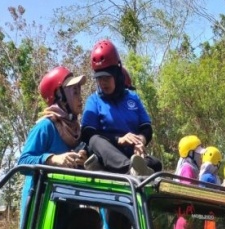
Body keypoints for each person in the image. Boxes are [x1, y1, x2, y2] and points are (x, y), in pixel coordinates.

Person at [81, 39, 160, 176]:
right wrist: (119, 139)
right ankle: (129, 170)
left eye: (107, 77)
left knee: (156, 164)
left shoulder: (133, 98)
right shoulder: (94, 100)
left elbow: (146, 128)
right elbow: (87, 133)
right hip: (108, 155)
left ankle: (134, 168)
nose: (102, 83)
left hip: (132, 156)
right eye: (99, 78)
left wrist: (140, 141)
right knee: (94, 140)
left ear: (117, 74)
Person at [19, 66, 88, 217]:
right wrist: (52, 159)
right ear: (60, 96)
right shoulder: (45, 126)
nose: (80, 98)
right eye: (74, 92)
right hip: (40, 204)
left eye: (79, 91)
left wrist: (84, 160)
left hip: (67, 204)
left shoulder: (77, 130)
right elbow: (23, 163)